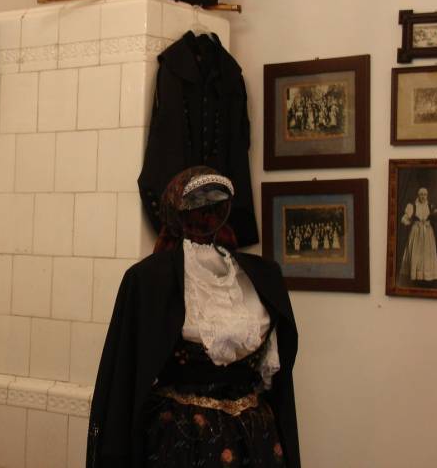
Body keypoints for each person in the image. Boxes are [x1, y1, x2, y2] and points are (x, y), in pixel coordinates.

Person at [88, 166, 299, 468]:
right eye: (197, 204)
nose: (206, 213)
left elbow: (278, 377)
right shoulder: (149, 279)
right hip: (183, 439)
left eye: (215, 204)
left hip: (256, 437)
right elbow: (123, 372)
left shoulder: (261, 274)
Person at [400, 187, 437, 282]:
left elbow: (435, 217)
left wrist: (432, 218)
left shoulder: (430, 206)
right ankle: (415, 275)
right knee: (416, 251)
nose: (423, 196)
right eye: (421, 194)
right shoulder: (413, 206)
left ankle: (426, 275)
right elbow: (404, 219)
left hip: (427, 232)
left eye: (425, 194)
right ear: (418, 195)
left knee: (427, 252)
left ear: (427, 196)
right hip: (416, 232)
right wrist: (411, 222)